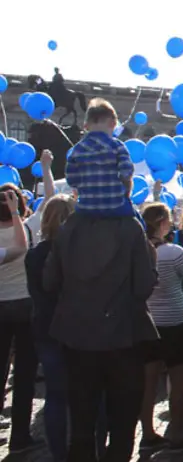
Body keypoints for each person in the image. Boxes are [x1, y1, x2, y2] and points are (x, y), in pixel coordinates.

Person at [45, 179, 158, 461]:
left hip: (78, 338)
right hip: (123, 338)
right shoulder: (132, 228)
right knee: (122, 426)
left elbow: (49, 281)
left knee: (81, 425)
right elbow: (143, 286)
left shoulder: (70, 226)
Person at [138, 203, 183, 452]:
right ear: (163, 222)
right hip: (175, 321)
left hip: (148, 320)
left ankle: (147, 434)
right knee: (178, 380)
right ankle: (175, 433)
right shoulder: (173, 252)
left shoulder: (138, 250)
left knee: (148, 382)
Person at [25, 193, 76, 461]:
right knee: (85, 393)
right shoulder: (77, 253)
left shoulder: (34, 255)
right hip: (76, 330)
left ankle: (58, 453)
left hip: (46, 329)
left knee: (55, 395)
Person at [0, 186, 40, 455]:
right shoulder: (23, 229)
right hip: (25, 304)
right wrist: (16, 213)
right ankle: (20, 436)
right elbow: (21, 247)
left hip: (1, 304)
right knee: (25, 374)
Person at [64, 98, 136, 218]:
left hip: (86, 208)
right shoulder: (117, 146)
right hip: (116, 206)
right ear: (113, 124)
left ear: (86, 126)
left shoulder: (77, 149)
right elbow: (127, 171)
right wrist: (125, 190)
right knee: (139, 226)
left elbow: (72, 179)